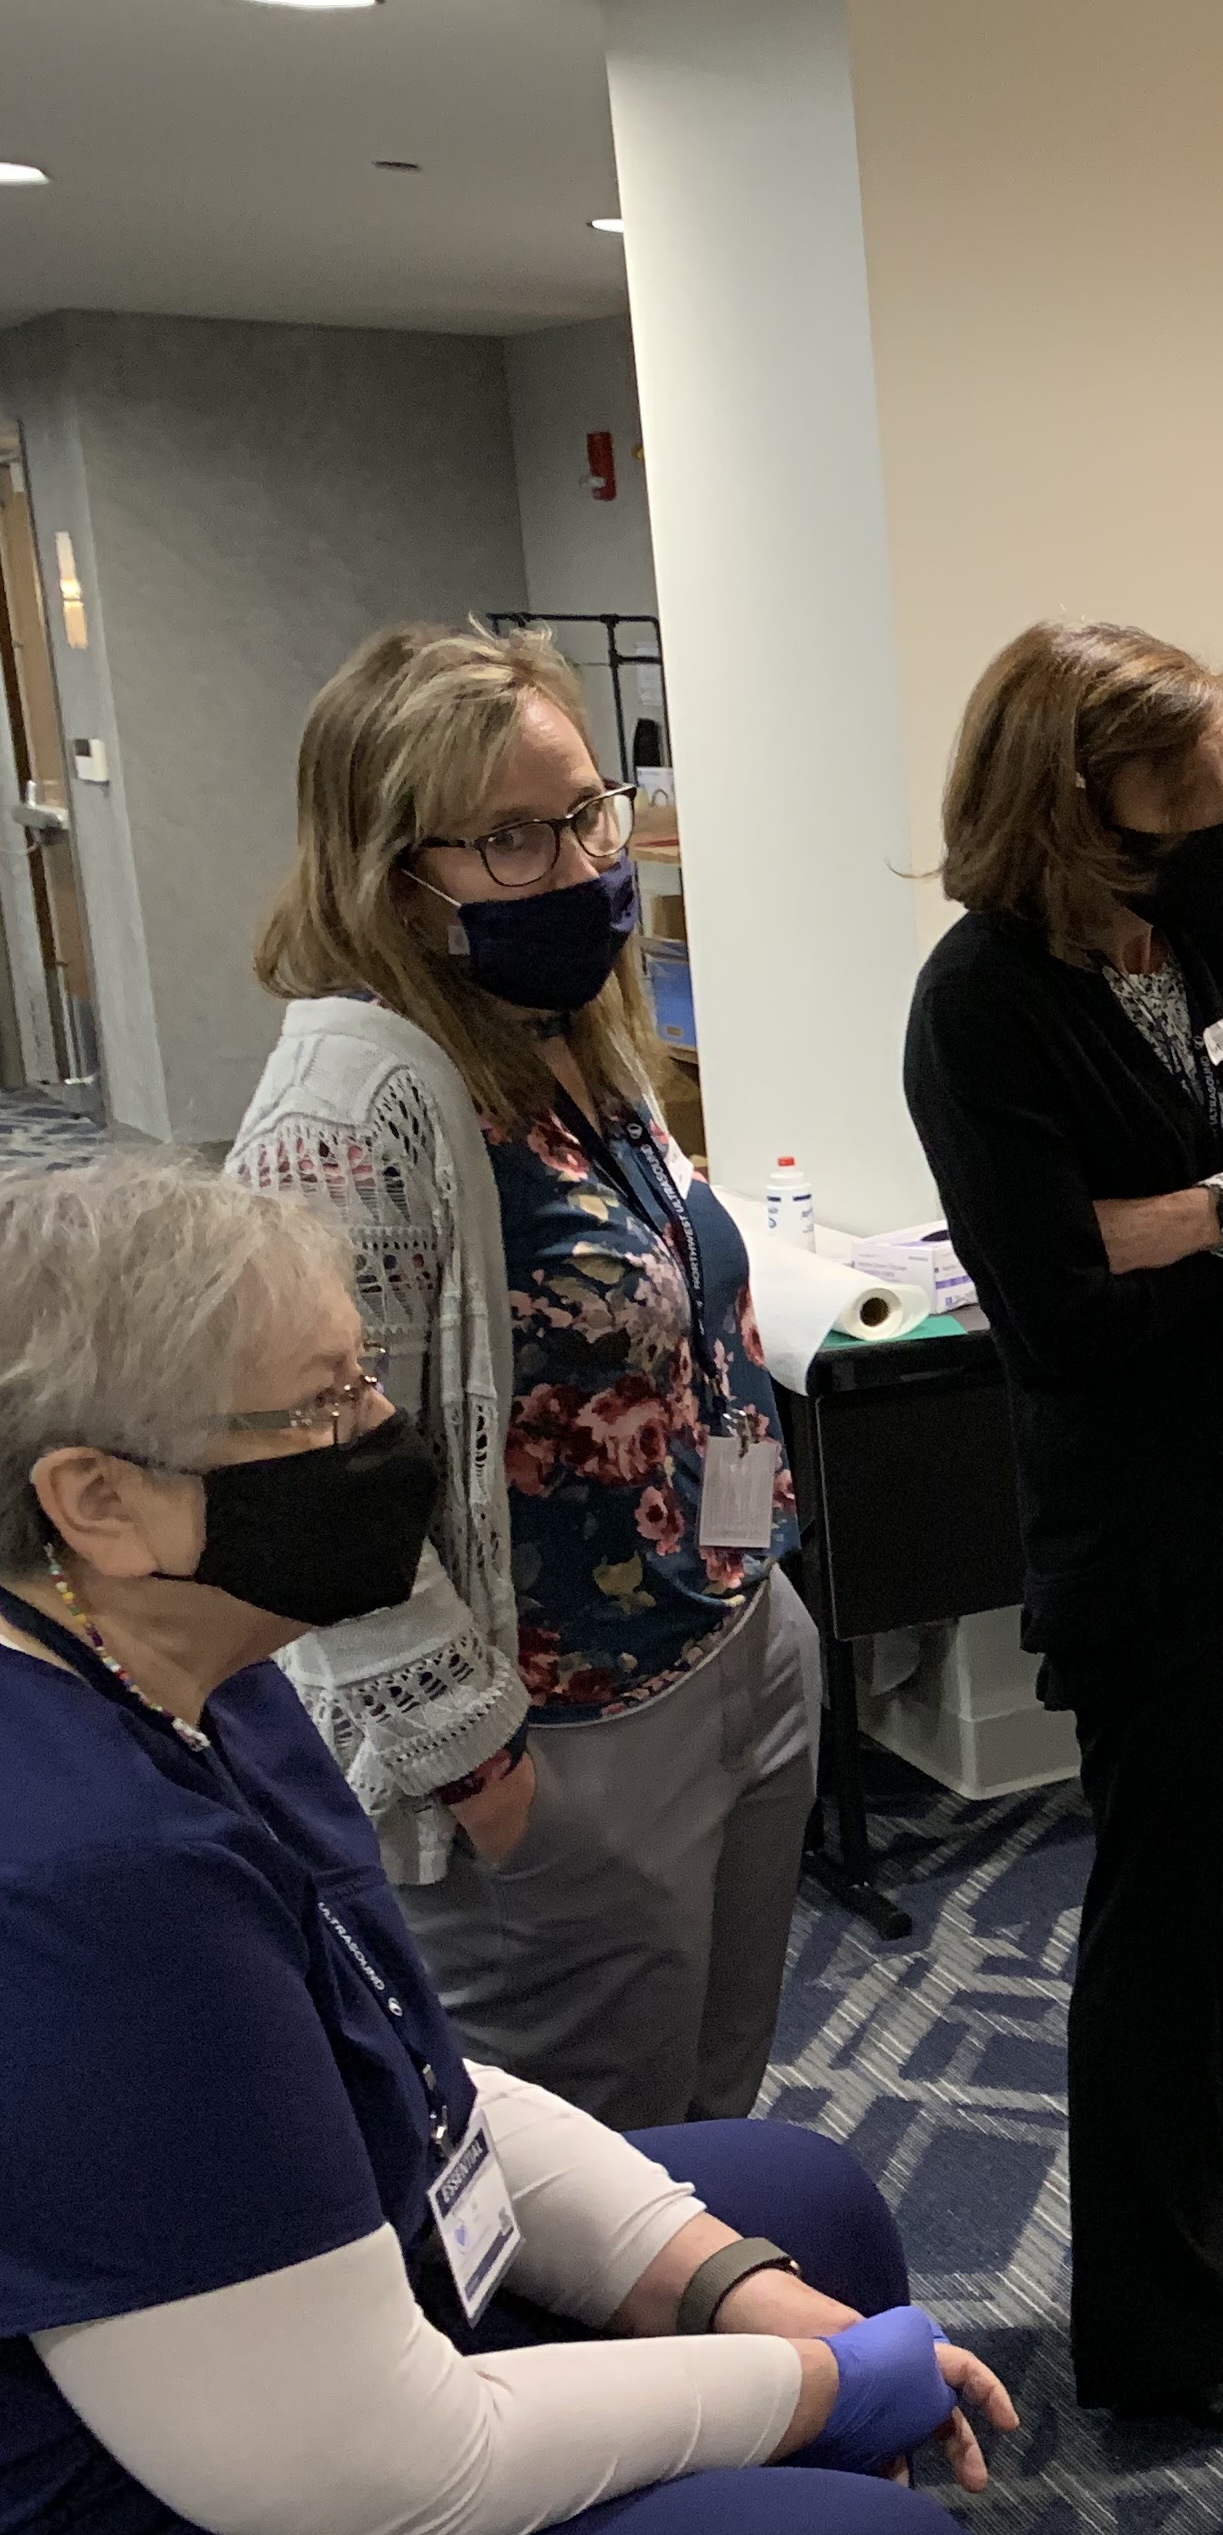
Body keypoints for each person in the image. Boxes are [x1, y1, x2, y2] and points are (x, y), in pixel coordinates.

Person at [0, 1156, 1033, 2535]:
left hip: (251, 2393)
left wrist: (725, 2285)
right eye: (321, 1405)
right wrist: (798, 2386)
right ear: (97, 1499)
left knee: (796, 2203)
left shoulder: (185, 1670)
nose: (382, 1431)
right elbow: (370, 2464)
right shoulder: (81, 1882)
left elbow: (408, 2064)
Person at [902, 620, 1223, 2443]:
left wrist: (1197, 1212)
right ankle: (1162, 2329)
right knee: (1156, 1918)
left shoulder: (1217, 936)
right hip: (1141, 1525)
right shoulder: (981, 1001)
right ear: (1073, 801)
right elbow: (1057, 1315)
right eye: (1193, 788)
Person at [234, 623, 819, 2130]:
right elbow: (303, 1476)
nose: (576, 867)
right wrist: (472, 1763)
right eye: (510, 839)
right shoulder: (349, 1112)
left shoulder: (568, 1030)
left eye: (584, 814)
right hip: (561, 1728)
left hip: (732, 1642)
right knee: (604, 2168)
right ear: (393, 875)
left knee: (716, 2109)